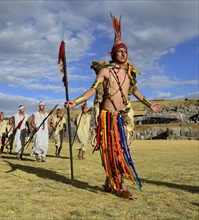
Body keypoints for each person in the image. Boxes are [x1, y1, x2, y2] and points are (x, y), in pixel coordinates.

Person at [65, 14, 162, 199]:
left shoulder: (129, 73)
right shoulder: (105, 71)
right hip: (107, 118)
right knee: (112, 152)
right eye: (120, 51)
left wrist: (151, 105)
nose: (124, 53)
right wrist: (75, 102)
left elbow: (136, 92)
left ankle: (109, 182)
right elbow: (92, 90)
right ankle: (120, 186)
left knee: (121, 151)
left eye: (126, 51)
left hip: (122, 118)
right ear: (113, 53)